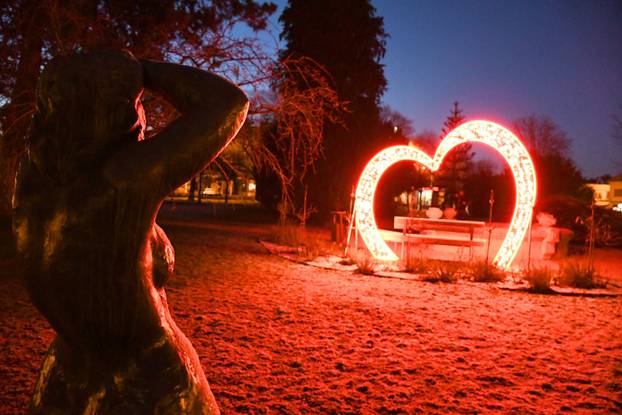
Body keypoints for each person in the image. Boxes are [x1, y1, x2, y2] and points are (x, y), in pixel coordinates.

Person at [12, 50, 248, 414]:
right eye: (134, 102)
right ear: (116, 109)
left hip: (67, 365)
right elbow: (227, 104)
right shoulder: (122, 180)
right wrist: (143, 71)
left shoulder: (30, 182)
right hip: (145, 376)